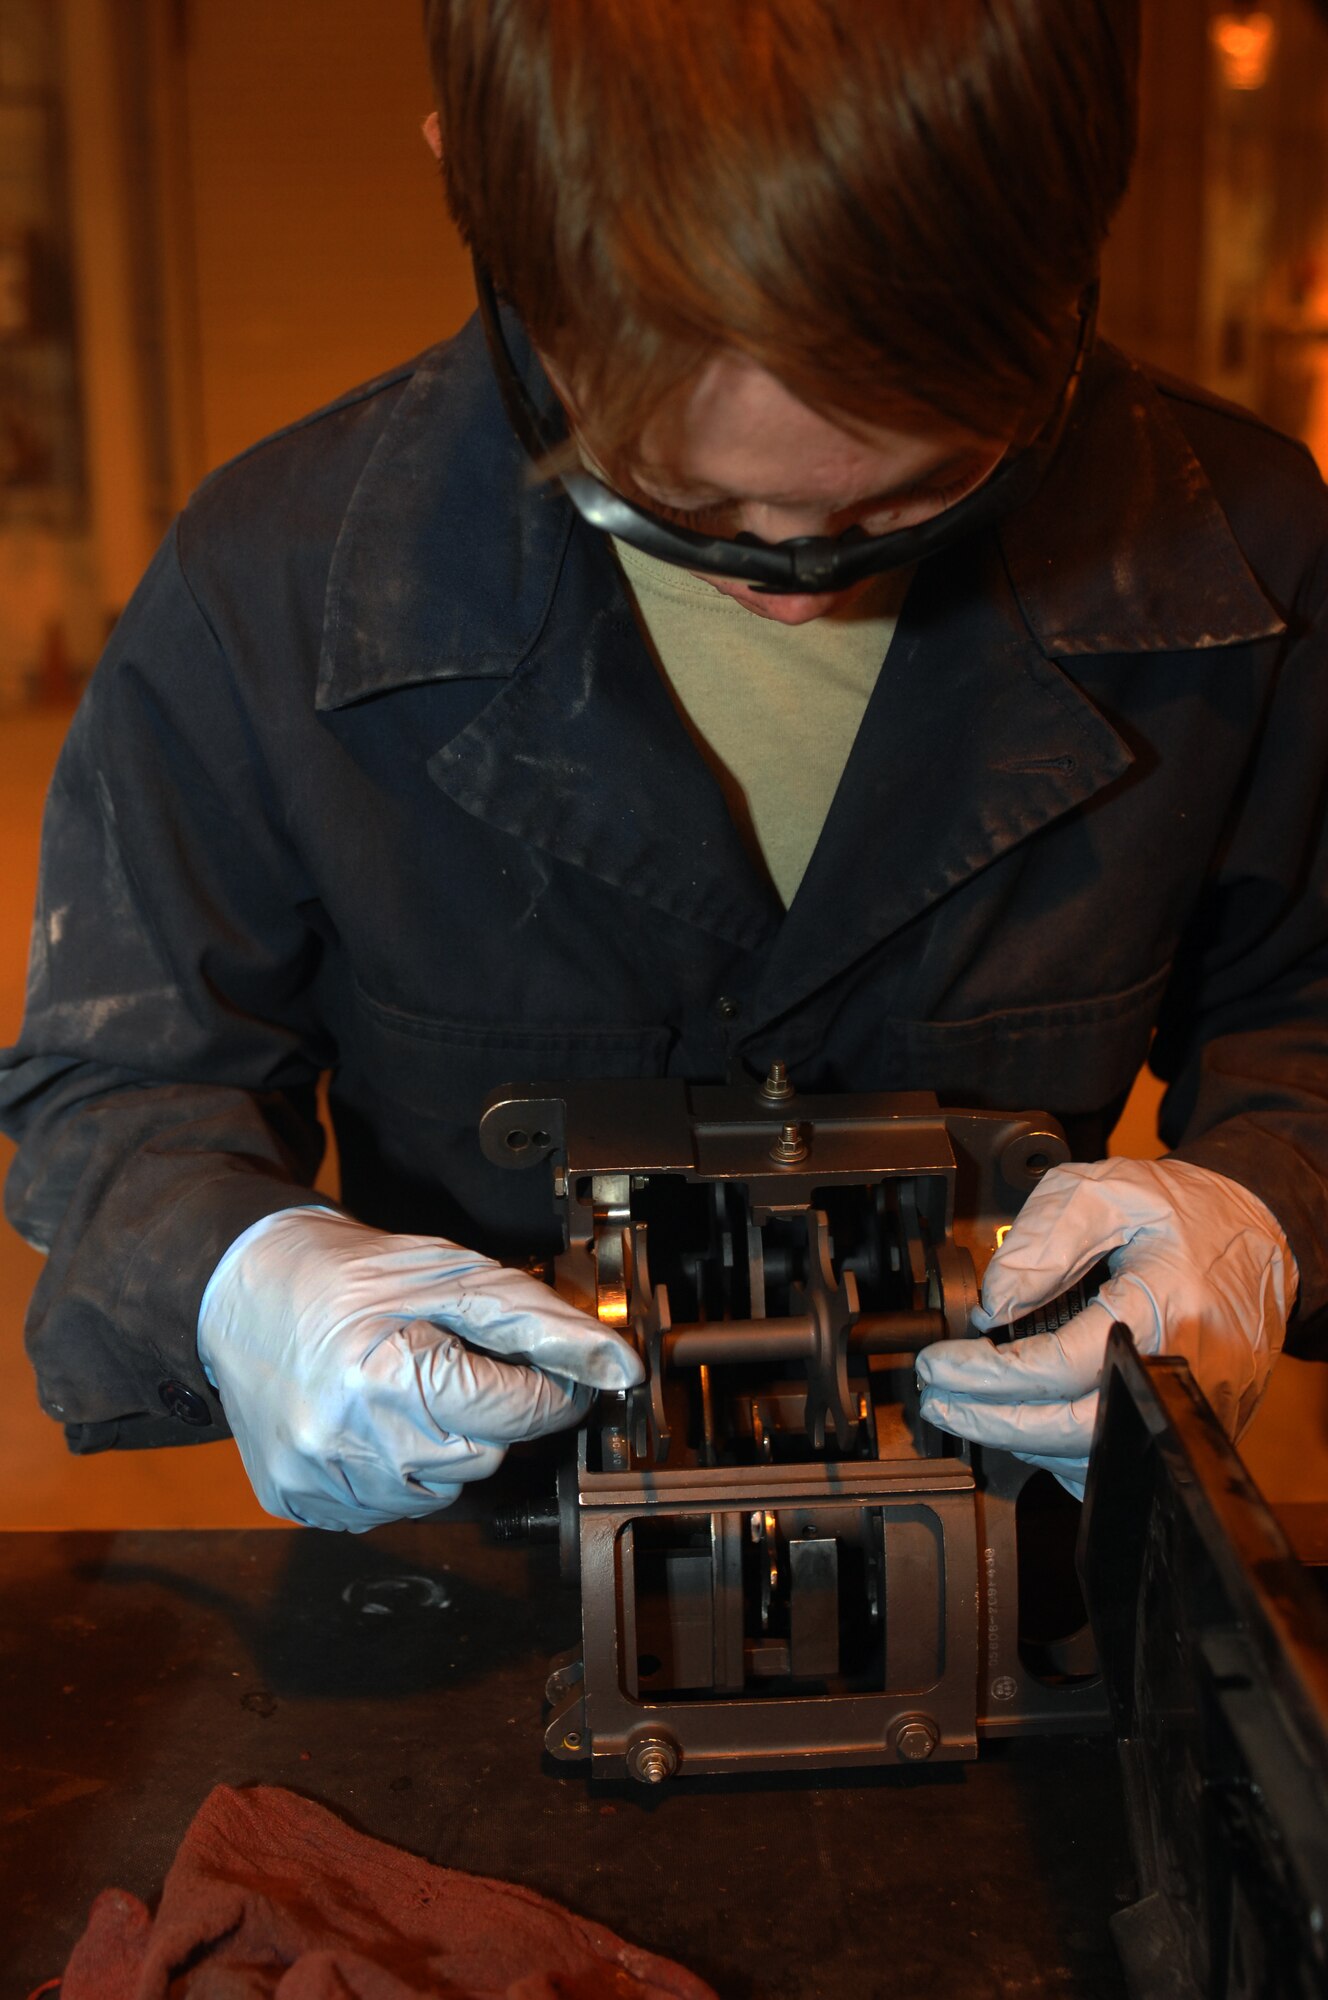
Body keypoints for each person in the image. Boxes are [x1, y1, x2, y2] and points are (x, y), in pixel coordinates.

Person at [0, 0, 1320, 1532]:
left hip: (1012, 1526)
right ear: (469, 190)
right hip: (492, 1562)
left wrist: (1265, 1206)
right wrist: (237, 1272)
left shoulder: (1250, 554)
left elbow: (1311, 999)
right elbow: (125, 1075)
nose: (804, 581)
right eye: (680, 505)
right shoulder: (273, 585)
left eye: (923, 492)